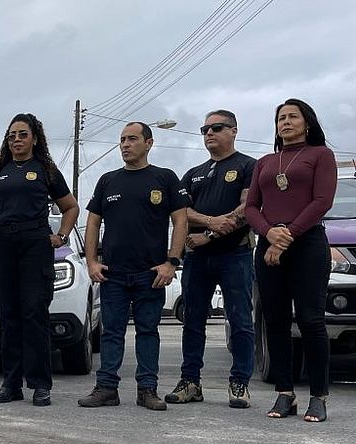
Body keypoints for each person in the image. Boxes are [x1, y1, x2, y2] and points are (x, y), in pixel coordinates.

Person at [79, 122, 189, 410]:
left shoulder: (164, 178)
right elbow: (93, 222)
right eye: (122, 140)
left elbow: (180, 221)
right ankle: (106, 389)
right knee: (111, 333)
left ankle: (147, 389)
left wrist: (171, 262)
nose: (125, 145)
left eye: (132, 139)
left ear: (149, 143)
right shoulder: (108, 180)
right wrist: (92, 262)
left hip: (151, 274)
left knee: (148, 332)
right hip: (113, 274)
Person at [0, 115, 80, 406]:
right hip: (3, 246)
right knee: (9, 317)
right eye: (12, 136)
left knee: (34, 314)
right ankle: (11, 384)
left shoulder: (45, 170)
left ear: (35, 138)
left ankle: (40, 384)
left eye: (22, 134)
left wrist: (61, 236)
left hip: (35, 245)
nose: (17, 140)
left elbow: (71, 207)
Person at [244, 98, 337, 423]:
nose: (285, 122)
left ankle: (318, 396)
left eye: (292, 117)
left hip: (308, 244)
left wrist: (287, 236)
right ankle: (285, 393)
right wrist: (270, 234)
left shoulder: (321, 155)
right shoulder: (265, 162)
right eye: (280, 118)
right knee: (275, 321)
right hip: (268, 245)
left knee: (311, 320)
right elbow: (251, 207)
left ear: (307, 123)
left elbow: (322, 201)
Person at [166, 110, 256, 408]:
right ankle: (190, 382)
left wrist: (210, 234)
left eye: (216, 128)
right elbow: (180, 211)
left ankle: (239, 383)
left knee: (240, 320)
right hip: (197, 259)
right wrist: (210, 221)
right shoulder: (193, 173)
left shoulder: (248, 166)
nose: (209, 133)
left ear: (233, 130)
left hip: (235, 255)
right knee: (192, 321)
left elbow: (247, 208)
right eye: (205, 129)